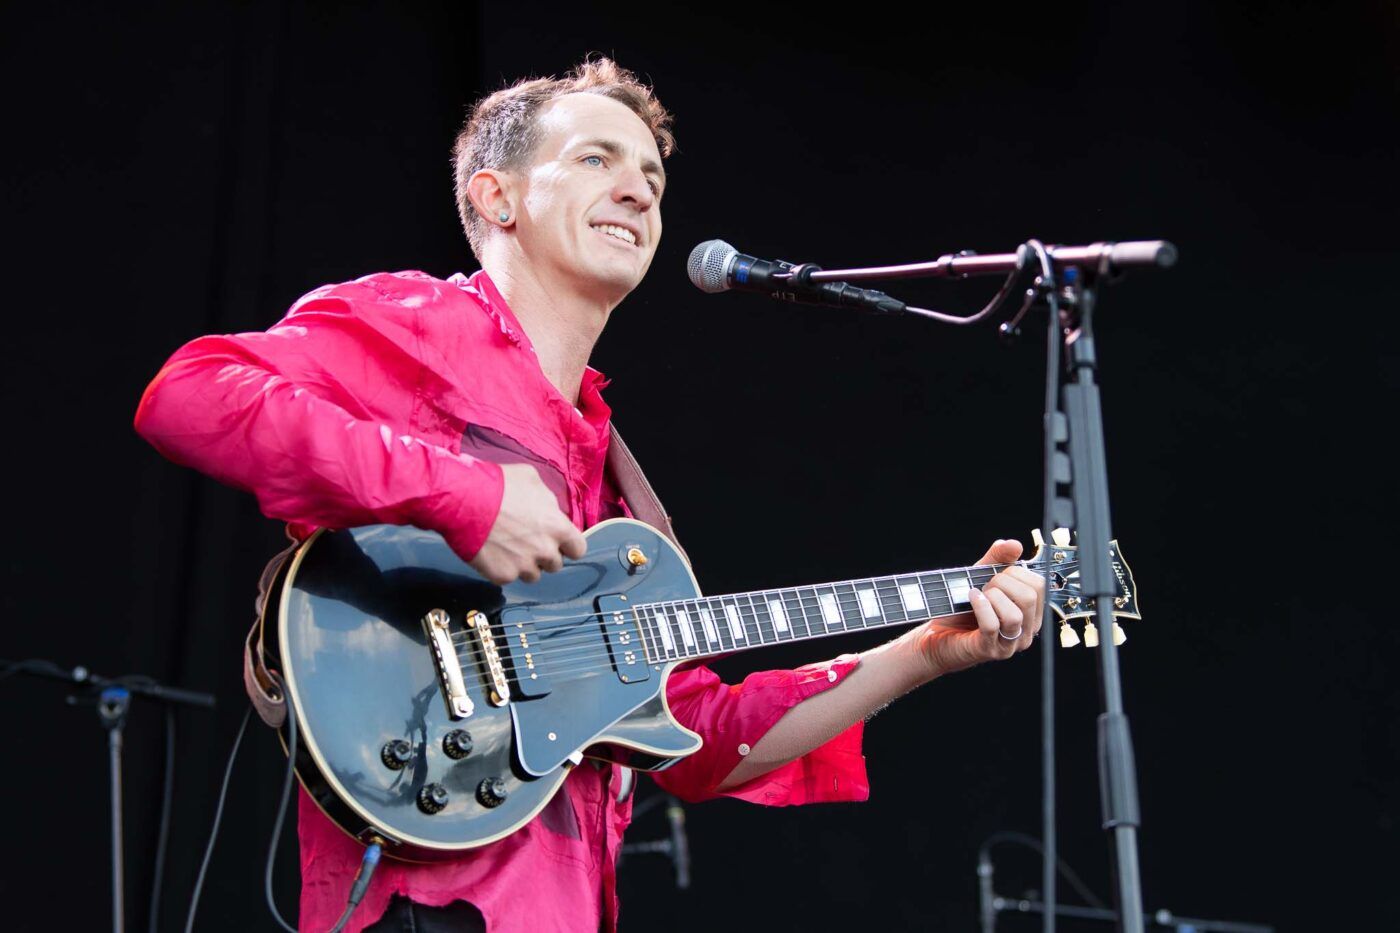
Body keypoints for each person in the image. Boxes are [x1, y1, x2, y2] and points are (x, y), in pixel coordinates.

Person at [133, 55, 1045, 933]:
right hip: (427, 898)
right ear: (498, 197)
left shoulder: (625, 499)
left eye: (651, 172)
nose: (640, 189)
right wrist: (464, 495)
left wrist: (929, 648)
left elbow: (697, 734)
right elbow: (190, 394)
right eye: (597, 159)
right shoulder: (421, 324)